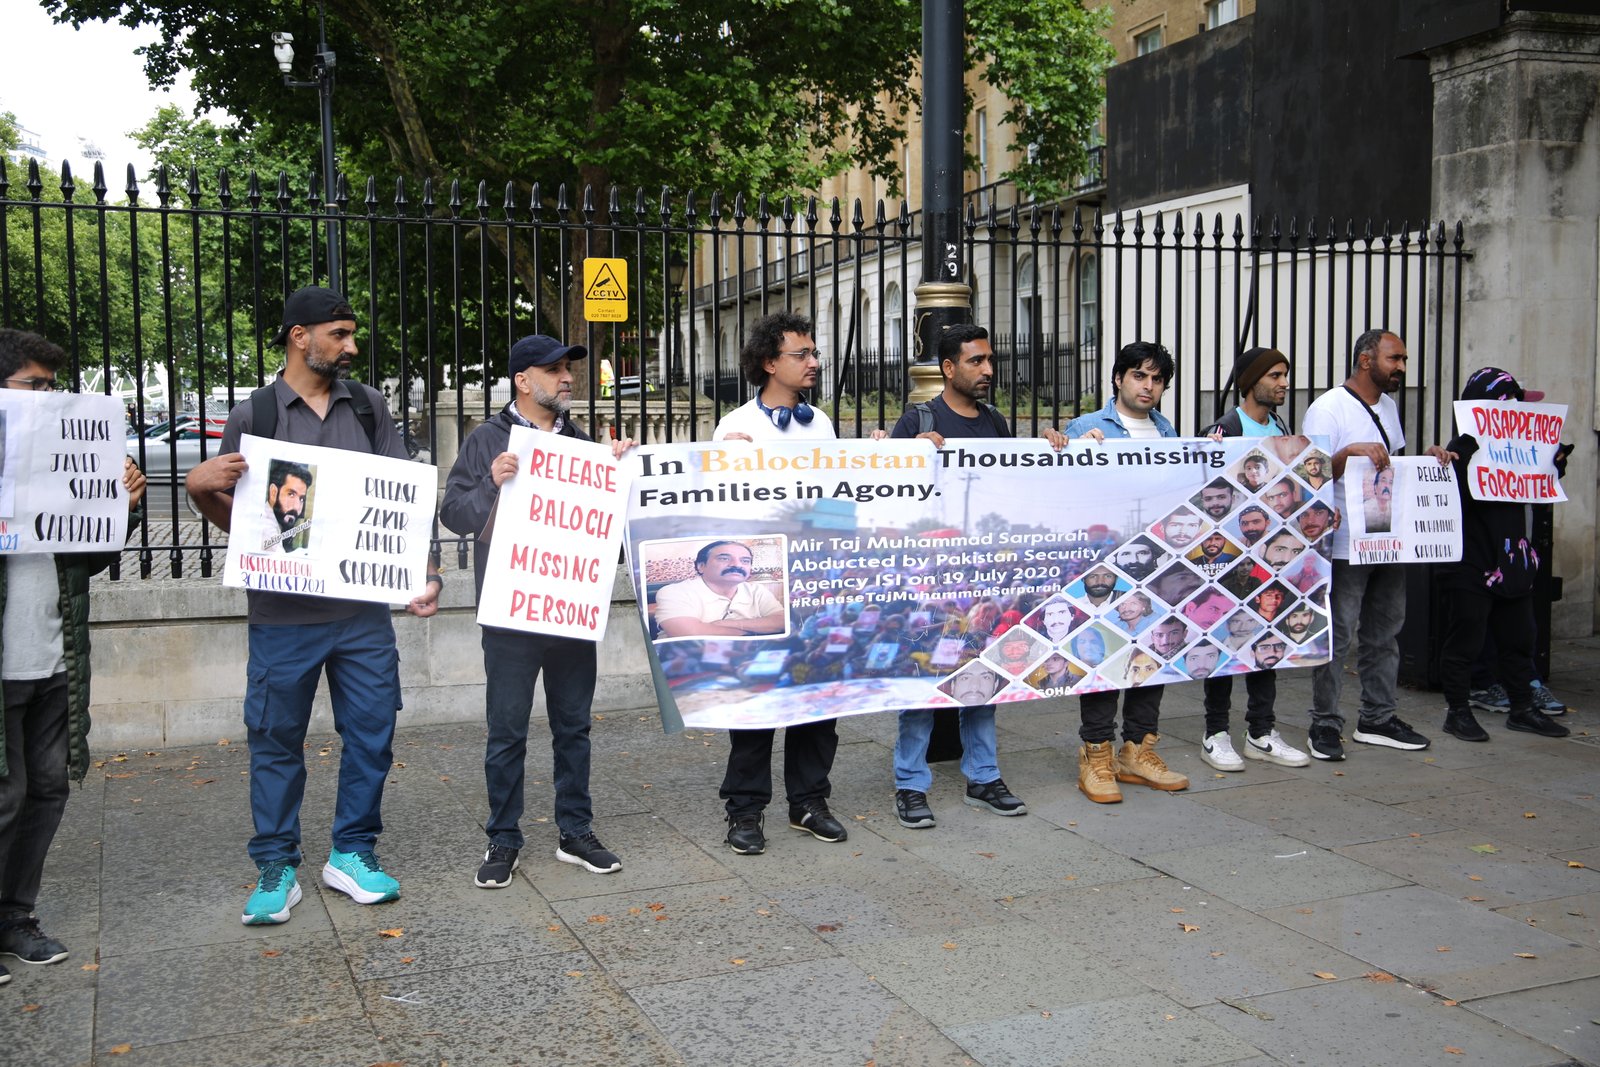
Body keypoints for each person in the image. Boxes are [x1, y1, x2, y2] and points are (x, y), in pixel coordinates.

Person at [186, 286, 441, 924]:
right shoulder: (257, 415)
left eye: (352, 335)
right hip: (283, 619)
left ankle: (352, 852)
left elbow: (401, 504)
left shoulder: (369, 407)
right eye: (340, 336)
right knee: (274, 739)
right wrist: (199, 491)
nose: (352, 347)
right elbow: (246, 525)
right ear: (300, 336)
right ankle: (276, 866)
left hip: (361, 617)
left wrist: (425, 570)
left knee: (372, 737)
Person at [440, 334, 635, 888]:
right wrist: (491, 484)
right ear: (523, 380)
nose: (567, 377)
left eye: (568, 368)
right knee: (506, 731)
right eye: (553, 370)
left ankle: (576, 831)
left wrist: (616, 473)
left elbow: (603, 529)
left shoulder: (580, 445)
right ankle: (503, 838)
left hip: (569, 611)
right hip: (511, 613)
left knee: (574, 726)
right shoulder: (487, 440)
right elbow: (454, 512)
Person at [0, 330, 145, 981]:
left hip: (55, 660)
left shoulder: (62, 459)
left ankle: (14, 917)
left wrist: (123, 505)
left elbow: (94, 553)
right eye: (34, 386)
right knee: (8, 793)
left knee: (48, 788)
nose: (49, 399)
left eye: (52, 387)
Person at [888, 323, 1067, 829]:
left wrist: (1050, 447)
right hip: (930, 585)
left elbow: (1011, 492)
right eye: (975, 361)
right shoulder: (918, 419)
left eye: (989, 360)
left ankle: (983, 776)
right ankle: (910, 784)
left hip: (984, 583)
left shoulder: (995, 421)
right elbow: (890, 498)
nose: (988, 370)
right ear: (948, 368)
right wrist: (908, 457)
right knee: (922, 683)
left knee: (983, 680)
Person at [710, 312, 851, 855]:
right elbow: (724, 515)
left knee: (818, 695)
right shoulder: (734, 426)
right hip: (765, 584)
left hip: (818, 579)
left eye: (814, 354)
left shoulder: (823, 425)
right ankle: (745, 810)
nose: (814, 363)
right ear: (770, 363)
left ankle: (809, 801)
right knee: (758, 695)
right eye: (802, 354)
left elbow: (837, 509)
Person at [1300, 328, 1453, 760]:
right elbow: (1308, 477)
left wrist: (1429, 459)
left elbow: (1395, 468)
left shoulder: (1387, 407)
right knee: (1339, 633)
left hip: (1389, 538)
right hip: (1347, 543)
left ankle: (1378, 717)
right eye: (1395, 359)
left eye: (1403, 360)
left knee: (1386, 632)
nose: (1402, 368)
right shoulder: (1327, 408)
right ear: (1366, 361)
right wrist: (1345, 454)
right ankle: (1324, 723)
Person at [1065, 341, 1187, 803]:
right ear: (1119, 378)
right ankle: (1096, 756)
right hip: (1103, 566)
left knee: (1151, 655)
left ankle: (1138, 749)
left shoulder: (1167, 432)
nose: (1148, 386)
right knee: (1103, 657)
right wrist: (1075, 450)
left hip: (1156, 564)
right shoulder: (1089, 427)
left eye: (1157, 380)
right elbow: (1066, 492)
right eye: (1140, 376)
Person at [1435, 368, 1569, 742]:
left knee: (1520, 637)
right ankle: (1458, 711)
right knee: (1466, 639)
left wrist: (1551, 462)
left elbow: (1542, 481)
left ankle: (1523, 708)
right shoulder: (1460, 451)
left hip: (1512, 559)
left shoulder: (1522, 449)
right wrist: (1447, 463)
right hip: (1470, 560)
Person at [1196, 347, 1310, 771]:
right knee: (1226, 642)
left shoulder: (1281, 429)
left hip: (1270, 554)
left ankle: (1261, 731)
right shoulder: (1223, 430)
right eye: (1276, 375)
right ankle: (1216, 733)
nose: (1284, 382)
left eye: (1286, 374)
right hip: (1230, 557)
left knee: (1268, 639)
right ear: (1251, 381)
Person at [653, 541, 785, 637]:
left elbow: (782, 622)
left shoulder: (757, 590)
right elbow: (688, 633)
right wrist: (757, 631)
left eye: (745, 561)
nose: (737, 564)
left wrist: (726, 624)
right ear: (701, 566)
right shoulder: (674, 592)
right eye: (724, 558)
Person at [260, 460, 313, 554]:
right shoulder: (266, 528)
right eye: (291, 494)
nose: (297, 507)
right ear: (273, 492)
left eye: (301, 499)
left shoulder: (277, 521)